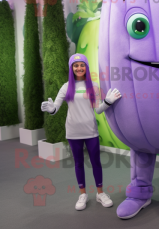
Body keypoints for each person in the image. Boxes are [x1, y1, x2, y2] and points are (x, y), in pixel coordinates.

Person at [41, 53, 121, 211]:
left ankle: (100, 193)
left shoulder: (94, 87)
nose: (79, 68)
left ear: (86, 67)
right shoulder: (66, 87)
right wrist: (51, 109)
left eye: (82, 65)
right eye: (75, 65)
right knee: (78, 163)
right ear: (72, 68)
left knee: (96, 162)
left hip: (91, 131)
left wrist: (108, 102)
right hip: (73, 132)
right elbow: (55, 107)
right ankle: (82, 194)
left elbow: (98, 109)